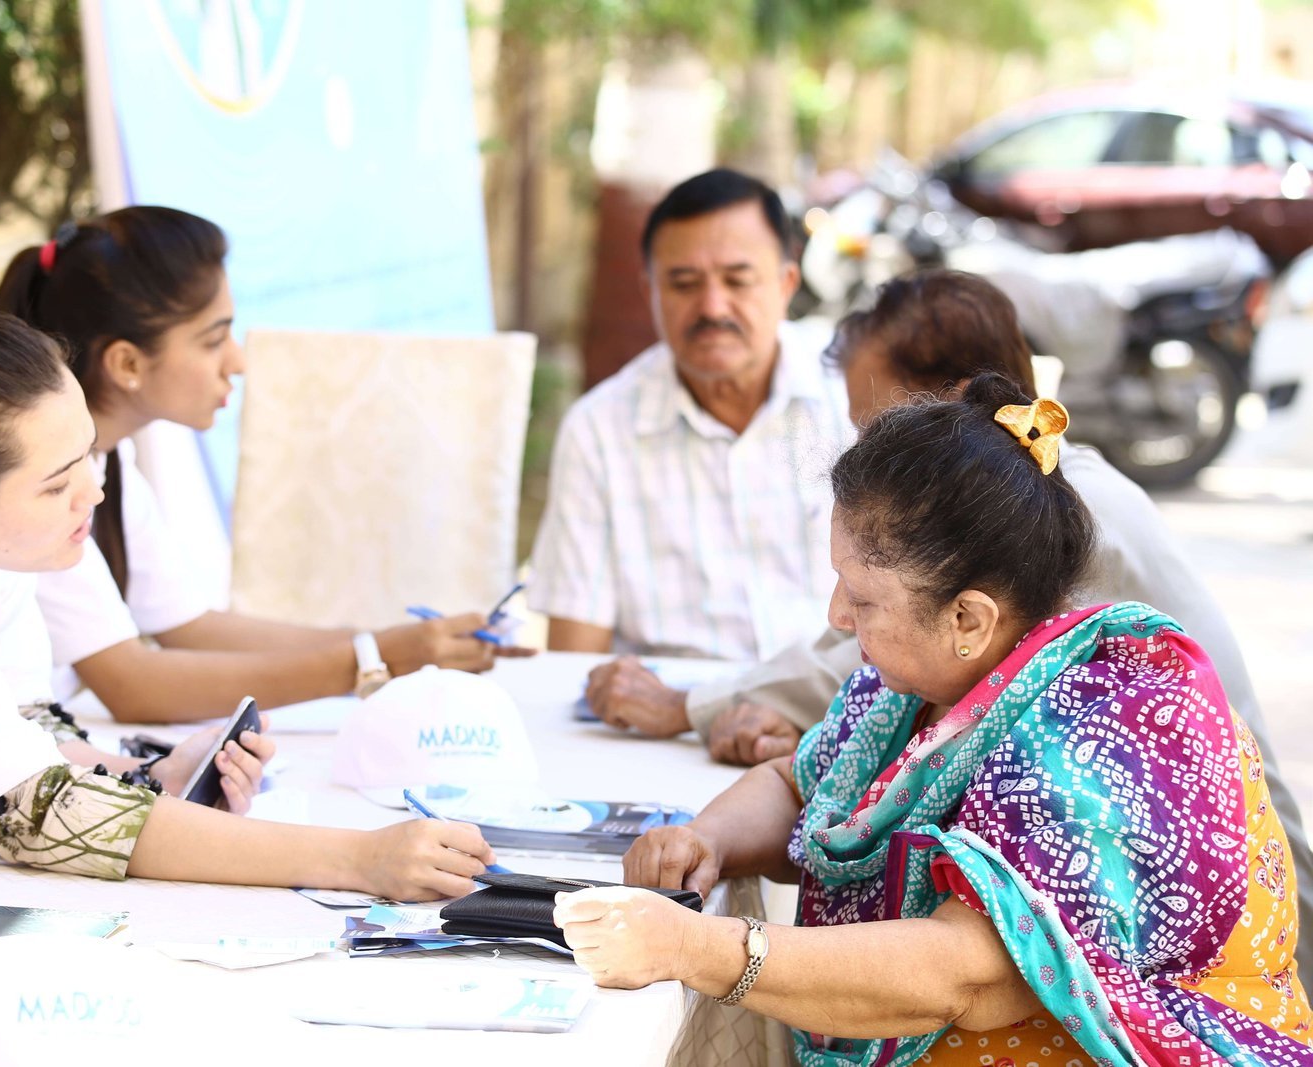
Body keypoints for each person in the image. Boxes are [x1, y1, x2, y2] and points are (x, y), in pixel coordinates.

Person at [557, 373, 1312, 1064]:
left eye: (863, 598)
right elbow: (803, 784)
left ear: (968, 619)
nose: (836, 614)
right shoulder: (911, 688)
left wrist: (700, 949)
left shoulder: (1104, 730)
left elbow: (965, 973)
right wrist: (708, 838)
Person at [0, 313, 497, 911]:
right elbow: (38, 816)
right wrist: (358, 859)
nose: (94, 490)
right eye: (56, 483)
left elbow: (11, 728)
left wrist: (149, 776)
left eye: (88, 457)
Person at [0, 206, 517, 722]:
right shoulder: (39, 485)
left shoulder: (110, 460)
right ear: (127, 363)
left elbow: (188, 627)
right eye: (213, 340)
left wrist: (406, 644)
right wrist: (373, 660)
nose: (237, 362)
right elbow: (132, 685)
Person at [526, 168, 854, 661]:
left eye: (738, 280)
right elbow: (576, 659)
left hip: (843, 700)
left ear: (787, 283)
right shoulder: (598, 430)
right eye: (683, 284)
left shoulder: (851, 391)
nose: (712, 307)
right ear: (650, 292)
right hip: (668, 707)